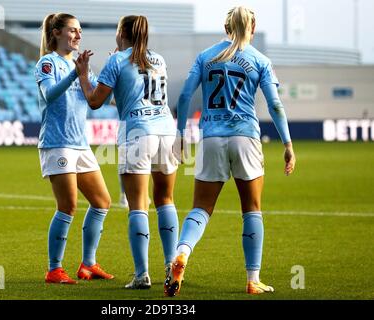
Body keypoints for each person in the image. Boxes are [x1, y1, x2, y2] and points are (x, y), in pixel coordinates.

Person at [164, 6, 296, 296]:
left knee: (200, 208)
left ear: (225, 27)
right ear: (252, 27)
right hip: (245, 138)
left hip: (211, 138)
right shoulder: (260, 60)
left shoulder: (205, 56)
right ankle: (252, 280)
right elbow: (275, 105)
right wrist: (287, 144)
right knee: (251, 209)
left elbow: (185, 95)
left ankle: (182, 253)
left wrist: (179, 135)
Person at [74, 15, 179, 289]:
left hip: (137, 131)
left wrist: (84, 76)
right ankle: (171, 266)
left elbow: (96, 101)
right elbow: (126, 95)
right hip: (167, 130)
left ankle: (142, 274)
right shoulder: (158, 59)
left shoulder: (117, 60)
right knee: (165, 199)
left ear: (121, 33)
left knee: (138, 205)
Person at [35, 12, 114, 284]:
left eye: (80, 31)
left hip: (80, 145)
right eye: (72, 30)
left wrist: (115, 74)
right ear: (56, 33)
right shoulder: (48, 63)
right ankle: (54, 269)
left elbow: (96, 99)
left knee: (102, 202)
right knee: (68, 206)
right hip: (57, 144)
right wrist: (74, 75)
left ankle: (88, 264)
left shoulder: (83, 66)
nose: (78, 35)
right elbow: (49, 94)